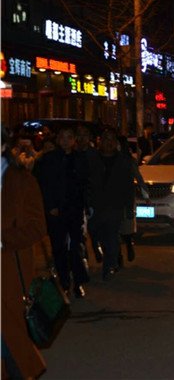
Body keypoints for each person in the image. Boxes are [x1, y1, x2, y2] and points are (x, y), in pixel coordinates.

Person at [1, 125, 48, 379]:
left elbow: (38, 227)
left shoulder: (22, 182)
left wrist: (3, 239)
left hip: (8, 274)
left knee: (10, 342)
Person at [33, 127, 90, 298]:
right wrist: (51, 205)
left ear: (74, 140)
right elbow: (43, 184)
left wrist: (86, 205)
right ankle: (64, 282)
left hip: (74, 210)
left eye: (69, 137)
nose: (66, 140)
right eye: (62, 137)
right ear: (58, 139)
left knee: (75, 247)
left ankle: (78, 282)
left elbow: (85, 184)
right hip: (56, 211)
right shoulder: (49, 159)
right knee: (59, 248)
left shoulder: (79, 159)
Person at [87, 128, 137, 281]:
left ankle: (109, 265)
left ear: (116, 143)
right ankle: (104, 255)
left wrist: (129, 206)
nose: (108, 143)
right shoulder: (92, 159)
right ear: (100, 141)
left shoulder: (123, 161)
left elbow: (128, 185)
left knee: (112, 235)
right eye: (106, 139)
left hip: (115, 205)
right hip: (96, 204)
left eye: (111, 139)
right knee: (96, 232)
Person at [117, 135, 149, 265]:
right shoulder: (104, 159)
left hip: (126, 199)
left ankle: (129, 243)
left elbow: (139, 178)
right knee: (113, 229)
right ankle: (118, 256)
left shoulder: (128, 160)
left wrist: (146, 196)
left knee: (126, 226)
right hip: (110, 199)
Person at [75, 124, 104, 264]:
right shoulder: (73, 153)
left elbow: (99, 176)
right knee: (79, 227)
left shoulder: (94, 154)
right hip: (76, 195)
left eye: (84, 135)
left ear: (89, 137)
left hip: (91, 195)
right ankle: (84, 252)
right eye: (79, 135)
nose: (82, 138)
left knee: (93, 226)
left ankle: (95, 246)